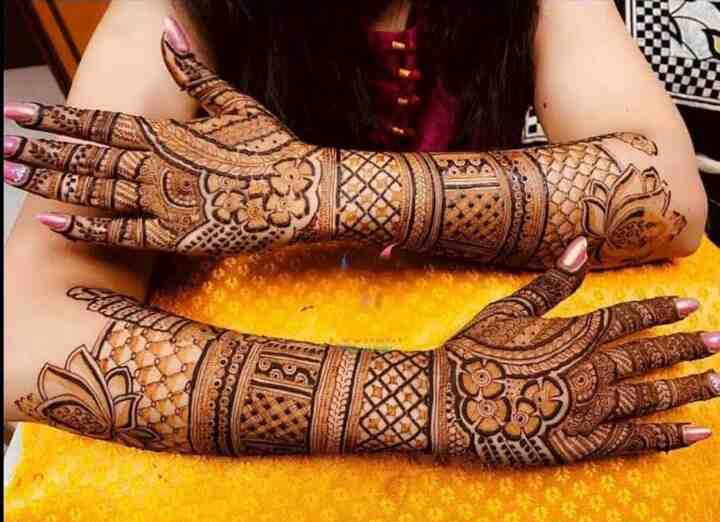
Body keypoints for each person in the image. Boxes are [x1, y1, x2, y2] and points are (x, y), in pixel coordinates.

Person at [3, 0, 718, 463]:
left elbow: (670, 198)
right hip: (260, 374)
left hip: (473, 321)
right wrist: (418, 398)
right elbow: (25, 329)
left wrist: (319, 189)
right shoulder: (167, 17)